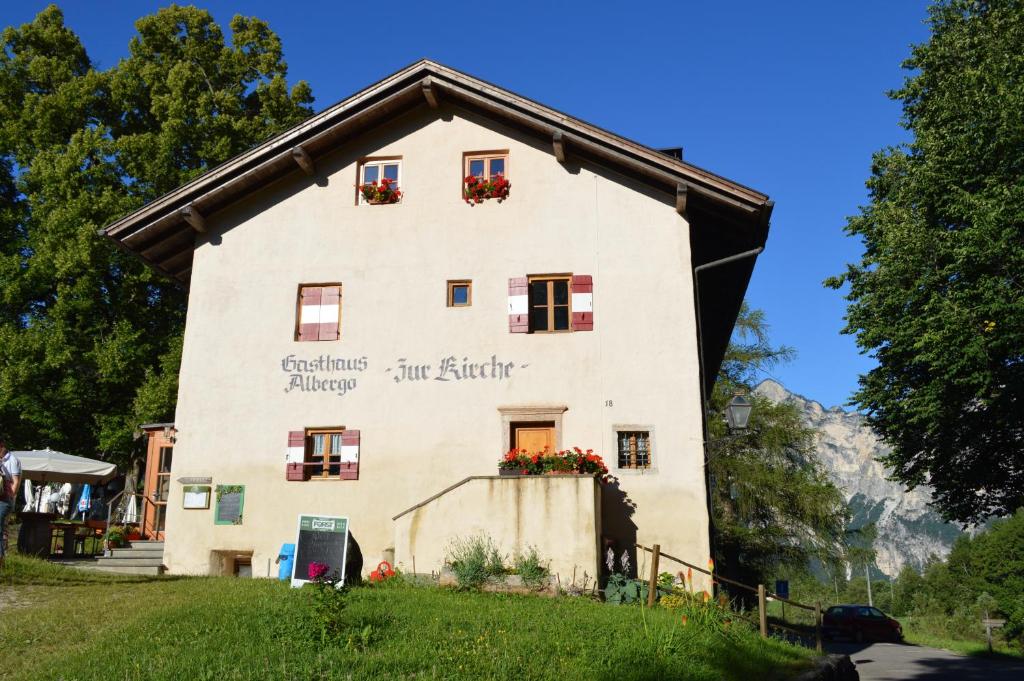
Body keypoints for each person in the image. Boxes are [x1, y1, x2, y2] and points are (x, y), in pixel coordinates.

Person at [0, 436, 22, 569]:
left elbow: (16, 482)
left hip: (4, 499)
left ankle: (1, 562)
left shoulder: (13, 460)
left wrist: (10, 498)